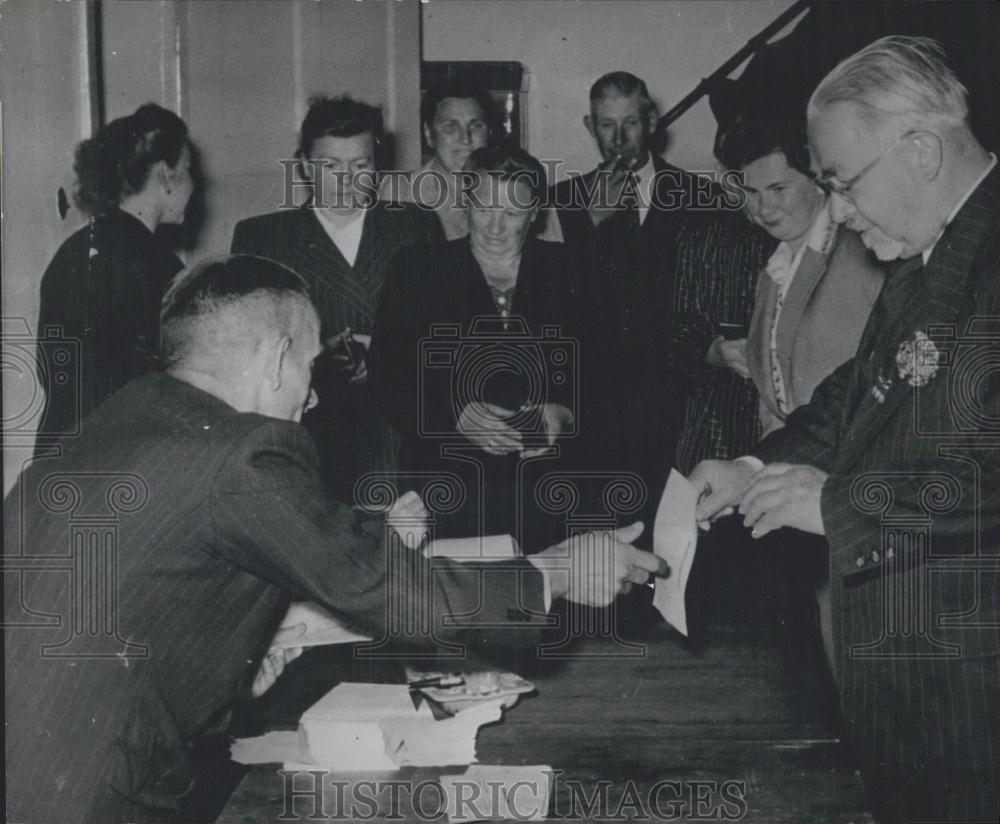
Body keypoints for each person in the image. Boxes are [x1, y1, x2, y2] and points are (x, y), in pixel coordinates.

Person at [4, 254, 666, 823]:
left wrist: (237, 655)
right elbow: (381, 587)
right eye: (310, 367)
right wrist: (558, 571)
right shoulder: (242, 451)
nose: (314, 398)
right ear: (276, 358)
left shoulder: (122, 414)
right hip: (88, 787)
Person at [691, 36, 999, 822]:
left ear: (922, 151)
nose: (839, 211)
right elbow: (858, 395)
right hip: (914, 679)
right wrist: (754, 466)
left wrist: (836, 504)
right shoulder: (927, 254)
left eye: (844, 183)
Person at [370, 146, 587, 546]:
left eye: (513, 213)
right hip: (448, 483)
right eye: (484, 208)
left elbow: (611, 374)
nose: (495, 227)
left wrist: (566, 413)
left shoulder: (576, 270)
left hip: (550, 484)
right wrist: (453, 414)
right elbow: (387, 376)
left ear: (535, 213)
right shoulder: (417, 269)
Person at [231, 95, 441, 505]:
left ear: (377, 165)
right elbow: (246, 354)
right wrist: (317, 356)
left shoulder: (415, 226)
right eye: (330, 166)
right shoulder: (263, 238)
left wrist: (385, 354)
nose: (346, 180)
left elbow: (443, 332)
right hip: (309, 440)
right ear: (304, 165)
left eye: (360, 165)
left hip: (401, 439)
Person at [543, 71, 721, 532]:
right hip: (592, 417)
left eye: (631, 123)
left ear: (652, 121)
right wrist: (591, 222)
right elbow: (551, 307)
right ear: (589, 126)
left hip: (679, 413)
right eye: (606, 125)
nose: (619, 139)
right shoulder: (559, 202)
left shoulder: (704, 197)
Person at [34, 103, 194, 455]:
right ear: (166, 177)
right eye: (188, 170)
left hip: (61, 456)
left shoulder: (72, 252)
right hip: (127, 458)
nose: (194, 184)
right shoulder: (160, 267)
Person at [384, 79, 497, 240]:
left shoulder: (508, 194)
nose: (465, 139)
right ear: (429, 134)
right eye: (451, 127)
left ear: (489, 133)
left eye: (476, 125)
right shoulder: (401, 194)